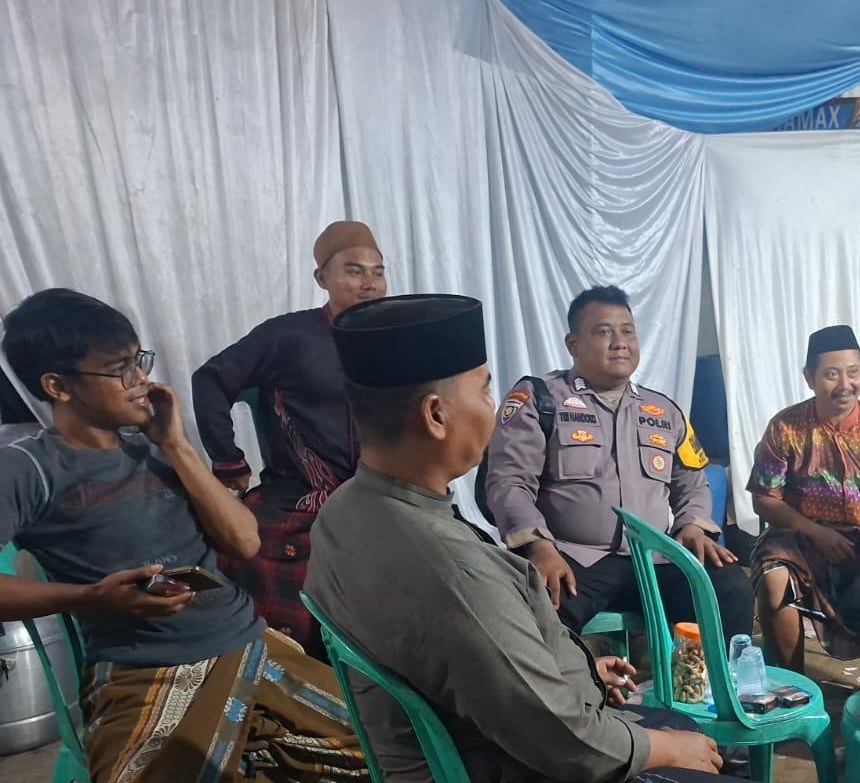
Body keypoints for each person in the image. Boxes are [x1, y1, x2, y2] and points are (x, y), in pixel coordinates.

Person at [306, 294, 740, 783]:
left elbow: (484, 658)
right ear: (436, 415)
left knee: (720, 605)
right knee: (697, 753)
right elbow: (563, 741)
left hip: (489, 727)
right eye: (484, 390)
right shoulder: (458, 572)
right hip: (511, 760)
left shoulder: (343, 511)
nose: (491, 408)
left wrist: (576, 672)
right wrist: (662, 747)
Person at [0, 289, 364, 782]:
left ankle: (243, 747)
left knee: (395, 748)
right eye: (120, 369)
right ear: (57, 386)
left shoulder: (155, 450)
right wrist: (90, 597)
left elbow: (245, 543)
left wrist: (175, 443)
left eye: (139, 361)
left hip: (247, 644)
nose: (140, 380)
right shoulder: (30, 469)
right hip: (145, 669)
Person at [483, 286, 753, 638]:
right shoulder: (540, 399)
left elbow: (692, 483)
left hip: (656, 559)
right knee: (537, 612)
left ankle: (719, 676)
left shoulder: (664, 411)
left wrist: (693, 527)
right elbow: (509, 482)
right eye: (604, 332)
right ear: (573, 344)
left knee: (730, 588)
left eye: (627, 331)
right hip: (573, 557)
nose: (620, 343)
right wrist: (539, 546)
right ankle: (581, 675)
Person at [191, 220, 386, 653]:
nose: (370, 284)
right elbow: (210, 380)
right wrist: (228, 461)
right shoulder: (288, 335)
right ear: (322, 278)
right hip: (299, 499)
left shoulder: (394, 339)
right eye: (354, 271)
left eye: (378, 272)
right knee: (256, 571)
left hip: (378, 496)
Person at [747, 325, 860, 671]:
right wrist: (815, 532)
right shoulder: (786, 427)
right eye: (831, 374)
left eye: (853, 372)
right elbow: (764, 499)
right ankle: (793, 687)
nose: (845, 384)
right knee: (775, 579)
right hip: (800, 536)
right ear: (809, 378)